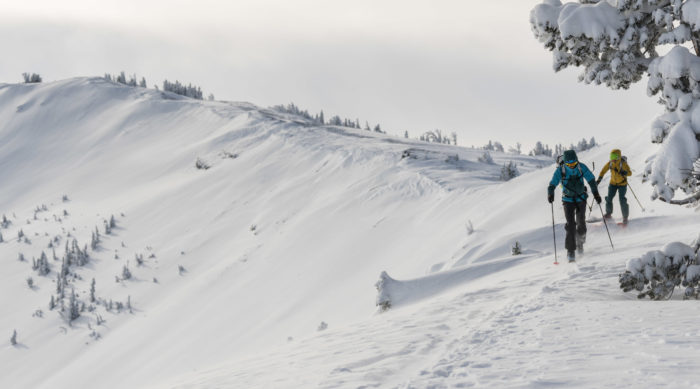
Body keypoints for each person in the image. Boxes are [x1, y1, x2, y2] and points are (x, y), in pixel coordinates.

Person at [548, 150, 601, 262]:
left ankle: (580, 244)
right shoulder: (561, 170)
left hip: (581, 199)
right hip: (567, 200)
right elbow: (553, 182)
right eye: (569, 164)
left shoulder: (581, 167)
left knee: (581, 223)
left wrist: (596, 193)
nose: (572, 166)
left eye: (574, 163)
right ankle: (571, 251)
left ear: (577, 160)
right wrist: (550, 192)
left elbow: (591, 179)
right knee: (571, 225)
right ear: (565, 163)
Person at [596, 148, 632, 225]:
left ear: (618, 157)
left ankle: (625, 217)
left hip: (622, 184)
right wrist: (599, 180)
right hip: (613, 184)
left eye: (614, 157)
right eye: (611, 156)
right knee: (609, 198)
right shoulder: (610, 163)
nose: (612, 159)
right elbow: (603, 171)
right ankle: (608, 213)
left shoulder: (623, 164)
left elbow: (630, 173)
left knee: (622, 200)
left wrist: (624, 172)